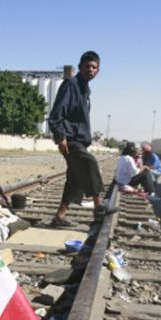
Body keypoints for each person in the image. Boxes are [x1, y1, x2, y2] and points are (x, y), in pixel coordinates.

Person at [48, 51, 115, 227]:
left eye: (94, 68)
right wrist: (60, 137)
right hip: (70, 139)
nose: (90, 70)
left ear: (98, 71)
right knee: (89, 163)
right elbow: (56, 114)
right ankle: (99, 206)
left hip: (77, 139)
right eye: (87, 66)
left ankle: (59, 217)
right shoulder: (71, 84)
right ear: (80, 67)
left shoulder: (84, 89)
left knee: (75, 178)